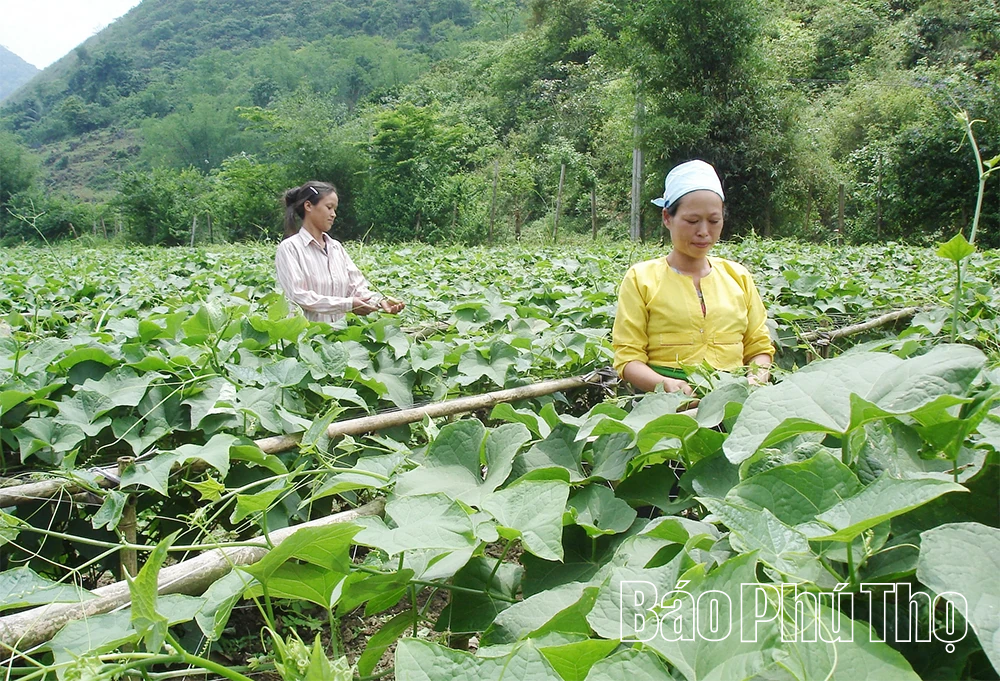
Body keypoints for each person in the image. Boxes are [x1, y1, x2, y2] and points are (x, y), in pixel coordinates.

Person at [612, 160, 773, 396]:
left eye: (714, 221)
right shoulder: (641, 279)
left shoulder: (738, 277)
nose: (704, 232)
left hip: (735, 402)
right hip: (668, 408)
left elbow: (759, 347)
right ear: (667, 217)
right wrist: (665, 384)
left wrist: (756, 379)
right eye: (692, 221)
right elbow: (628, 359)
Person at [275, 181, 404, 323]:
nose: (333, 214)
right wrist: (346, 305)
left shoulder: (336, 248)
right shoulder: (290, 248)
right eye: (329, 207)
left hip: (338, 339)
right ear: (308, 206)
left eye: (335, 209)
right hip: (305, 338)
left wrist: (379, 302)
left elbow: (357, 288)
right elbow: (298, 295)